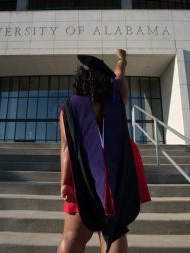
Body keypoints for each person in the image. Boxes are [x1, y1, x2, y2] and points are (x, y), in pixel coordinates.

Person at [57, 49, 150, 253]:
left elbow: (66, 149)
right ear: (105, 82)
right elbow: (119, 75)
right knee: (114, 231)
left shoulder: (69, 109)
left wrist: (65, 182)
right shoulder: (117, 100)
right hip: (119, 171)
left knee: (73, 236)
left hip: (83, 174)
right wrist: (121, 59)